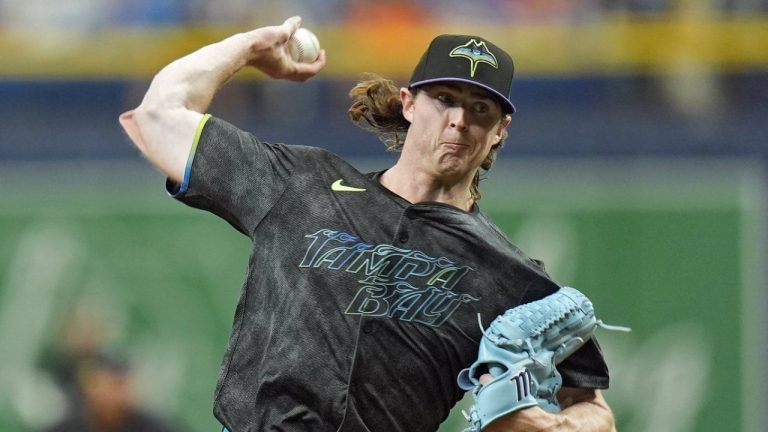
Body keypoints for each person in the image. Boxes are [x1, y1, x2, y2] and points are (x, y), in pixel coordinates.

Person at [119, 16, 617, 432]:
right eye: (444, 97)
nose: (459, 120)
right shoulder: (302, 186)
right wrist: (246, 47)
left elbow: (594, 410)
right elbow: (156, 118)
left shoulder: (509, 275)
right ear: (409, 103)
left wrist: (553, 426)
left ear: (500, 132)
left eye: (480, 109)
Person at [43, 351, 179, 432]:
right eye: (111, 384)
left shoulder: (157, 428)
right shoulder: (66, 428)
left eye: (122, 384)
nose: (115, 394)